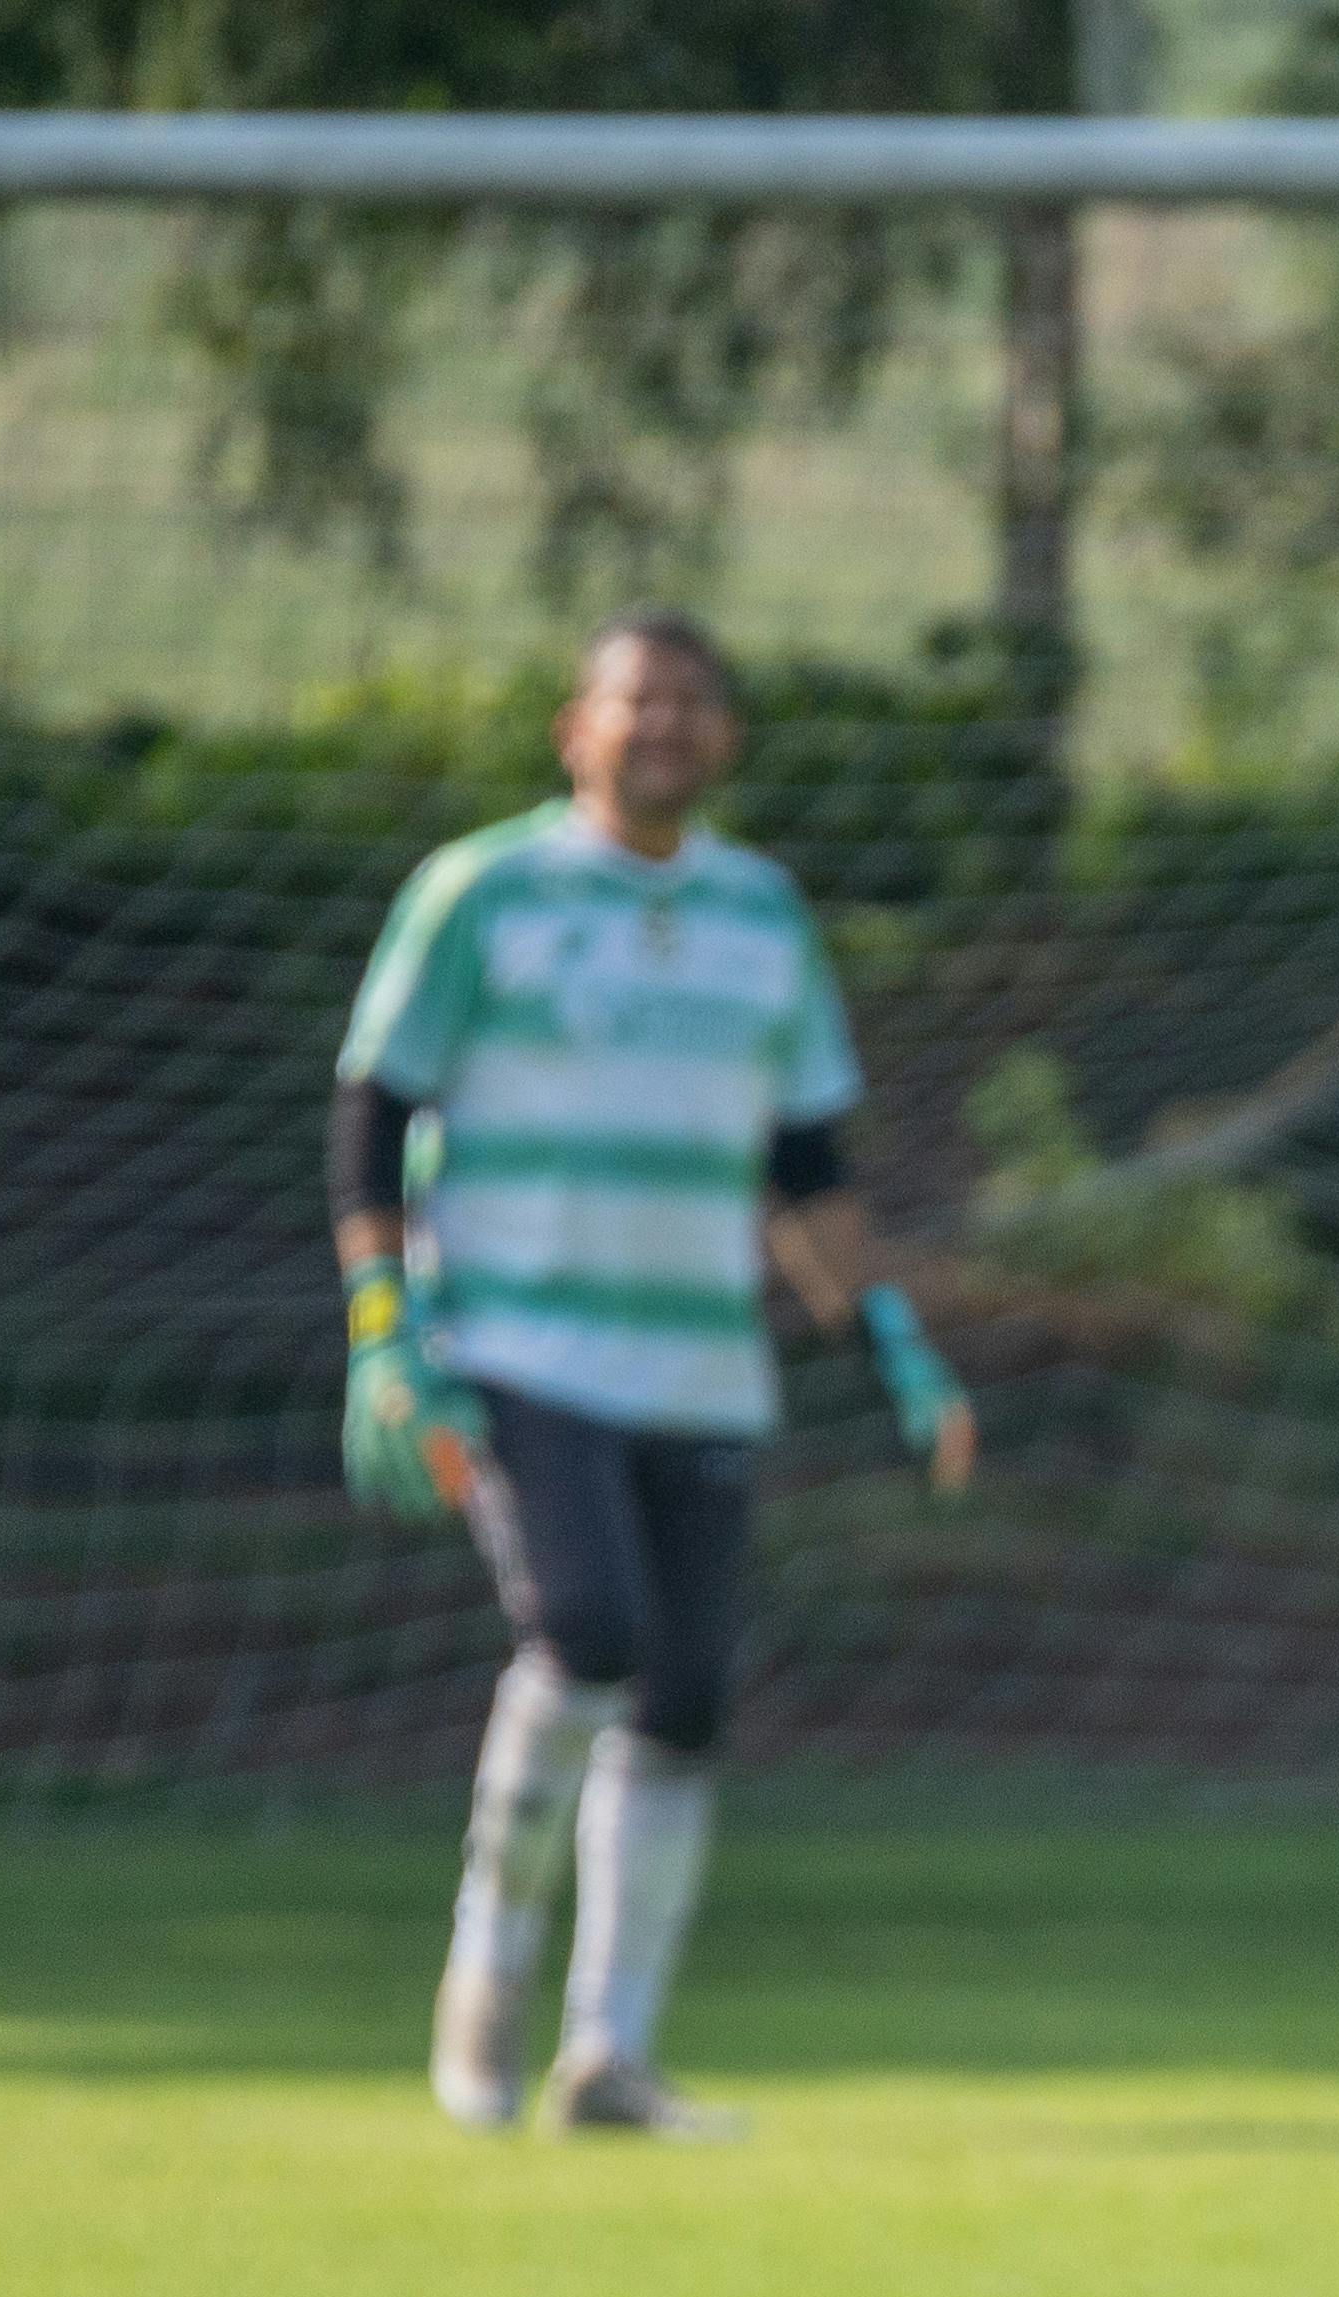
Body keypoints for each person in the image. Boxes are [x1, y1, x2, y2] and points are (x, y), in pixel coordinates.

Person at [328, 611, 974, 2138]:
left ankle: (607, 2056)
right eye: (634, 702)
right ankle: (484, 1984)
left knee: (683, 1698)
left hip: (698, 1364)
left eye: (690, 703)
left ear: (725, 738)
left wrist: (883, 1335)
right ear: (576, 728)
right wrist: (377, 1322)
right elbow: (372, 1103)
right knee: (588, 1632)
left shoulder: (762, 916)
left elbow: (805, 1156)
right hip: (516, 1342)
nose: (662, 727)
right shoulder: (481, 892)